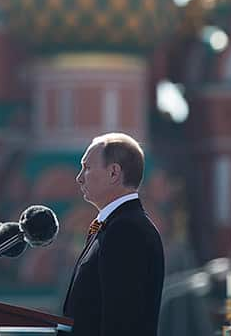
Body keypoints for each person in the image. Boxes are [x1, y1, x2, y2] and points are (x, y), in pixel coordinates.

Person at [62, 133, 164, 336]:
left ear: (114, 173)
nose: (79, 177)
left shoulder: (127, 231)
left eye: (87, 167)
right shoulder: (111, 226)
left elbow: (122, 321)